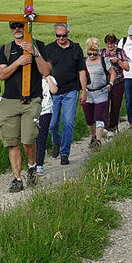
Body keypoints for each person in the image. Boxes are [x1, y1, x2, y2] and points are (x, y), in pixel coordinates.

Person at [0, 21, 52, 192]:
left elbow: (46, 71)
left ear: (27, 27)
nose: (17, 29)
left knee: (28, 140)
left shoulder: (39, 45)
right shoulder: (6, 49)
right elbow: (1, 74)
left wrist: (35, 52)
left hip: (31, 100)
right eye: (13, 27)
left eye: (20, 26)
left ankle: (31, 166)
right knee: (12, 142)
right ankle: (17, 179)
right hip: (9, 101)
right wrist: (19, 62)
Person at [47, 22, 87, 165]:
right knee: (52, 124)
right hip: (54, 92)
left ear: (68, 34)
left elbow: (81, 71)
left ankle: (65, 153)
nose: (61, 38)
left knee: (68, 122)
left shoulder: (76, 48)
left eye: (64, 35)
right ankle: (56, 143)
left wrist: (84, 90)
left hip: (71, 90)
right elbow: (45, 70)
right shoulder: (49, 49)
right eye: (58, 35)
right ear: (55, 35)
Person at [83, 38, 117, 148]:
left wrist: (110, 84)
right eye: (90, 53)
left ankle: (98, 141)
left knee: (99, 117)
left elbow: (112, 73)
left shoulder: (104, 60)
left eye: (95, 53)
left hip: (101, 92)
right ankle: (93, 136)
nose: (92, 56)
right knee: (89, 119)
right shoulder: (84, 62)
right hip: (88, 93)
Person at [101, 33, 130, 135]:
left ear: (115, 44)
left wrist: (118, 62)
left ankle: (113, 126)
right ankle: (104, 127)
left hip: (118, 82)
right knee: (104, 105)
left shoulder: (120, 52)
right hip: (105, 83)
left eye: (112, 45)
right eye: (108, 44)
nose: (110, 47)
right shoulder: (102, 53)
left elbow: (127, 67)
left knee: (116, 105)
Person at [34, 74, 58, 175]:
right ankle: (32, 162)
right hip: (31, 111)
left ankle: (39, 164)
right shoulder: (31, 78)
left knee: (41, 137)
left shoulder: (50, 78)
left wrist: (47, 77)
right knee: (32, 138)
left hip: (46, 110)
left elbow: (54, 90)